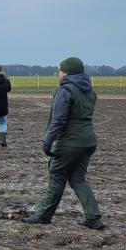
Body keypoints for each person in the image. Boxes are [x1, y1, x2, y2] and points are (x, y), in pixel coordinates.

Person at [24, 57, 104, 230]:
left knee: (57, 175)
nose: (58, 73)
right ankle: (93, 216)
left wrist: (47, 141)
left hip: (70, 142)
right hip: (89, 141)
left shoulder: (65, 91)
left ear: (66, 72)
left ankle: (43, 215)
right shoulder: (90, 91)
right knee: (78, 178)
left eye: (60, 70)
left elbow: (58, 120)